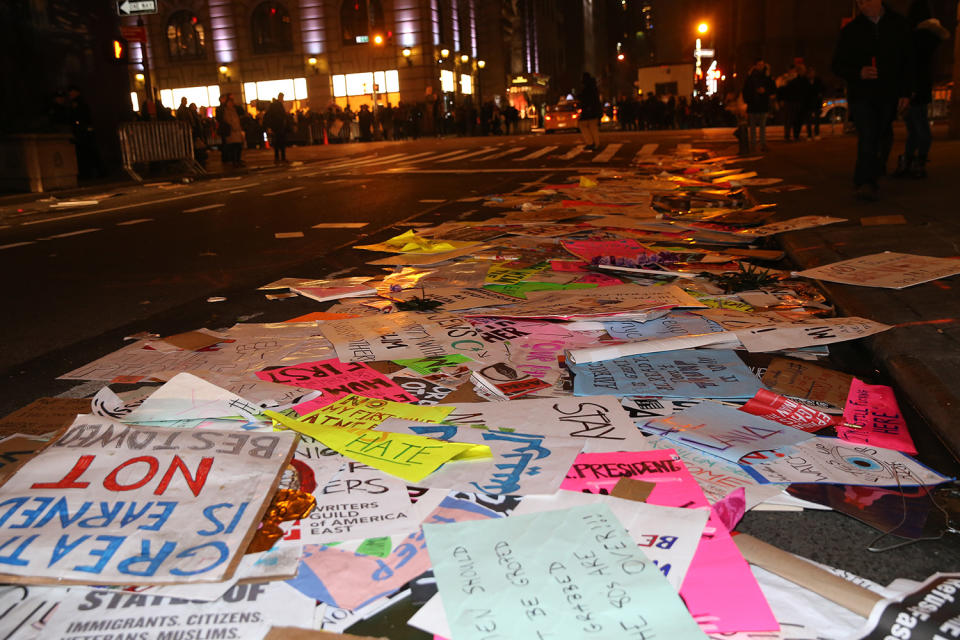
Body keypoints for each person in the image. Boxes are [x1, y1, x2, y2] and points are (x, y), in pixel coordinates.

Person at [832, 0, 913, 201]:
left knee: (882, 133)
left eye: (867, 1)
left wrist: (906, 92)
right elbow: (837, 64)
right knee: (867, 134)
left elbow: (908, 61)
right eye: (859, 2)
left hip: (888, 93)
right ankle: (864, 181)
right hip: (862, 94)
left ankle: (875, 168)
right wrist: (858, 72)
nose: (863, 5)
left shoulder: (898, 25)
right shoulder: (852, 30)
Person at [895, 0, 949, 178]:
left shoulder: (912, 38)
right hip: (921, 87)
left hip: (910, 87)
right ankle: (917, 162)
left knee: (915, 128)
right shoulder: (929, 38)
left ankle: (910, 161)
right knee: (919, 127)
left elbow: (906, 65)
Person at [742, 59, 776, 152]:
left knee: (762, 126)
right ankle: (753, 144)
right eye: (759, 65)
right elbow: (746, 89)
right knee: (753, 126)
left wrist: (765, 91)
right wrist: (750, 98)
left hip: (763, 104)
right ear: (756, 66)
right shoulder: (751, 76)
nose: (761, 66)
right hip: (753, 104)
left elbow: (772, 88)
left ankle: (762, 143)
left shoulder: (767, 76)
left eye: (762, 65)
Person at [578, 72, 602, 151]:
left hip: (588, 111)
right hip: (594, 111)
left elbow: (584, 100)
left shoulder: (586, 89)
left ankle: (590, 143)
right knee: (593, 127)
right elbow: (597, 101)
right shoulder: (594, 88)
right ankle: (596, 143)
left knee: (583, 125)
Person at [264, 93, 290, 162]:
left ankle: (278, 157)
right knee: (280, 142)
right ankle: (281, 157)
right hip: (278, 127)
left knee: (277, 143)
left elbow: (269, 115)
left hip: (276, 127)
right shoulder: (277, 105)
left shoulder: (274, 105)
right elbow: (280, 116)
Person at [801, 67, 826, 140]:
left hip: (816, 102)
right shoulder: (804, 81)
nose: (811, 74)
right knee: (808, 120)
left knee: (817, 120)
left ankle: (817, 133)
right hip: (807, 103)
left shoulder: (818, 80)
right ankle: (809, 134)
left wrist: (820, 94)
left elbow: (823, 88)